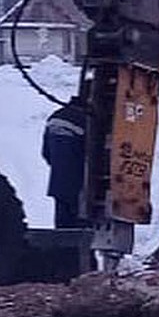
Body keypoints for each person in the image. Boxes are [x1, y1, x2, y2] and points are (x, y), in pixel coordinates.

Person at [42, 96, 88, 228]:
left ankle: (63, 247)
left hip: (58, 183)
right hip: (79, 183)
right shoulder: (84, 120)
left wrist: (59, 166)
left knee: (62, 226)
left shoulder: (54, 117)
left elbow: (46, 153)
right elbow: (91, 153)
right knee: (80, 228)